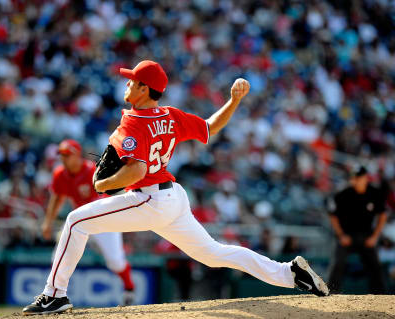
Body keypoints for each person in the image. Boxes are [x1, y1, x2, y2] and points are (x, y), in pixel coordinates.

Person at [23, 60, 329, 315]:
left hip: (150, 198)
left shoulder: (133, 123)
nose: (127, 84)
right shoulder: (170, 115)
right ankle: (290, 273)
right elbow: (210, 127)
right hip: (173, 199)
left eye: (132, 81)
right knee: (213, 253)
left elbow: (137, 170)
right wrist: (233, 101)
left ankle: (54, 294)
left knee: (75, 221)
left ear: (144, 89)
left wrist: (104, 183)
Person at [40, 139, 135, 305]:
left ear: (77, 155)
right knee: (58, 256)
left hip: (104, 219)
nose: (63, 159)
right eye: (62, 155)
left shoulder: (93, 170)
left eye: (67, 155)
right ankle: (53, 295)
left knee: (115, 262)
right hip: (80, 220)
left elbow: (100, 200)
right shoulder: (60, 173)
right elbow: (57, 198)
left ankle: (129, 288)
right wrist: (48, 222)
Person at [327, 166, 388, 294]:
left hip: (367, 236)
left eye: (359, 178)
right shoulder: (343, 194)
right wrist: (341, 235)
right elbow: (333, 215)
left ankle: (380, 295)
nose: (356, 181)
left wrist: (375, 237)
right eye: (354, 178)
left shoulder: (374, 193)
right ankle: (332, 292)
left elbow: (382, 215)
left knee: (375, 265)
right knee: (338, 263)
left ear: (366, 178)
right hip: (346, 236)